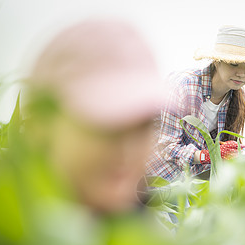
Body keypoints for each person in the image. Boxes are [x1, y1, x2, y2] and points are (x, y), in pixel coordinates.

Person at [27, 20, 167, 213]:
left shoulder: (148, 233)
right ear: (40, 124)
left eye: (143, 125)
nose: (127, 150)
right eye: (107, 123)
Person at [147, 26, 245, 182]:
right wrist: (207, 155)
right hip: (152, 180)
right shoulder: (184, 86)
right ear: (217, 61)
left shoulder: (236, 96)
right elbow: (167, 147)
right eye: (234, 64)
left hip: (191, 186)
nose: (242, 73)